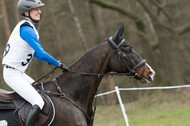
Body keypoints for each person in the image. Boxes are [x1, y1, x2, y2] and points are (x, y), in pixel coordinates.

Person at [2, 0, 69, 125]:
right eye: (36, 9)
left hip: (18, 73)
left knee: (41, 92)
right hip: (12, 75)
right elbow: (42, 53)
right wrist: (58, 64)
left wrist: (54, 62)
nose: (40, 11)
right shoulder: (26, 30)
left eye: (39, 9)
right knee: (38, 101)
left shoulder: (28, 28)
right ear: (27, 12)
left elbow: (37, 54)